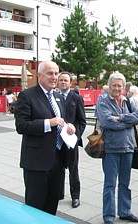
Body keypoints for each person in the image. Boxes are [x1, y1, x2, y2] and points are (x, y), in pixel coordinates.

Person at [14, 61, 76, 215]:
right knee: (35, 209)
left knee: (51, 206)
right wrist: (48, 123)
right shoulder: (27, 95)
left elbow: (61, 121)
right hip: (37, 163)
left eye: (56, 73)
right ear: (39, 75)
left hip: (58, 160)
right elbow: (21, 126)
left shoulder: (57, 96)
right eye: (50, 73)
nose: (54, 77)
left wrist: (69, 126)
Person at [96, 71, 138, 224]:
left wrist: (121, 118)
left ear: (124, 87)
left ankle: (125, 211)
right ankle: (108, 216)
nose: (116, 88)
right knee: (110, 184)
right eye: (114, 85)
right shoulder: (103, 101)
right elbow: (108, 122)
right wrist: (128, 123)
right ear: (109, 86)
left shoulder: (128, 101)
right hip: (111, 149)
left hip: (128, 148)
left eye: (119, 85)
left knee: (125, 183)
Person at [58, 72, 86, 208]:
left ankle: (75, 196)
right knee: (57, 168)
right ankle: (58, 193)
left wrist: (76, 134)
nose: (63, 82)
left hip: (71, 141)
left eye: (65, 80)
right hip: (57, 141)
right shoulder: (53, 97)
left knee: (73, 169)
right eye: (61, 80)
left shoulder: (77, 98)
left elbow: (82, 121)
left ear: (70, 83)